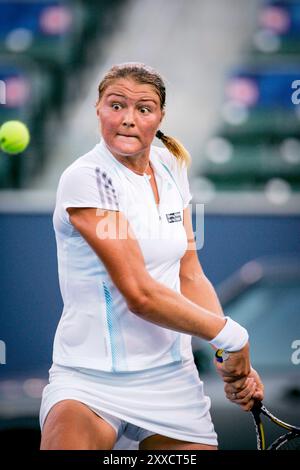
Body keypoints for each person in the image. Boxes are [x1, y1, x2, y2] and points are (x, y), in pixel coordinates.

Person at [39, 62, 264, 450]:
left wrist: (225, 350)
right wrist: (233, 335)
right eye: (116, 105)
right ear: (97, 109)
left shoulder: (172, 165)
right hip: (89, 383)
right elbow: (140, 295)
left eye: (143, 108)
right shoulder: (87, 177)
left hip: (171, 381)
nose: (128, 119)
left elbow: (190, 274)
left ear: (159, 117)